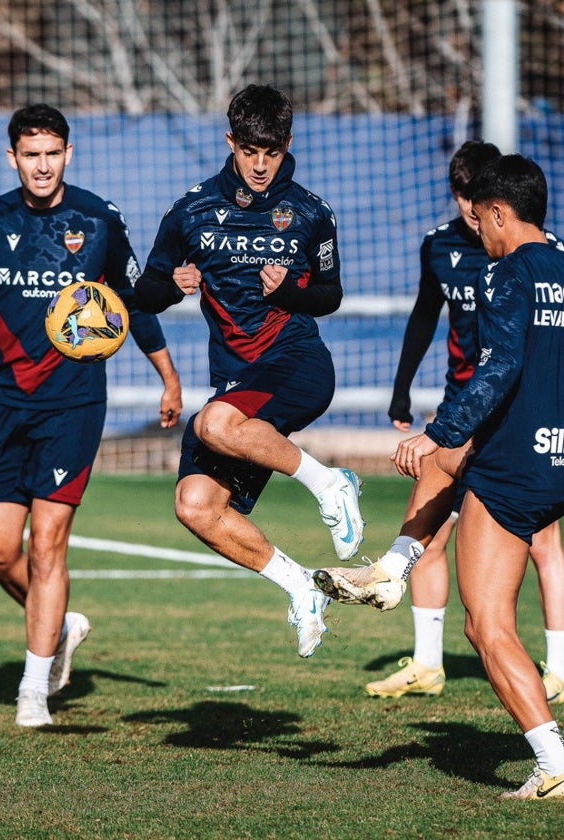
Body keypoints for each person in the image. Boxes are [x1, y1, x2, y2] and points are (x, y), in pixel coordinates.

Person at [317, 155, 564, 799]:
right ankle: (392, 570)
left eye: (483, 221)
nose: (479, 232)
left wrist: (437, 431)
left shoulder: (507, 274)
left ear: (501, 213)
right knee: (450, 465)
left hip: (513, 475)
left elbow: (498, 368)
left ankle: (555, 763)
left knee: (486, 626)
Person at [0, 104, 183, 728]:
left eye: (52, 153)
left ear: (68, 154)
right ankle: (61, 625)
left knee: (48, 546)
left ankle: (34, 691)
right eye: (30, 154)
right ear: (12, 158)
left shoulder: (98, 220)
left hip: (74, 405)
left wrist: (168, 376)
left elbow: (134, 300)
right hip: (9, 401)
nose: (42, 165)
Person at [133, 83, 364, 660]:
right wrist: (172, 285)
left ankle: (332, 484)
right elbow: (146, 290)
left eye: (272, 152)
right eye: (249, 151)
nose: (261, 165)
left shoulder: (311, 212)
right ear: (231, 142)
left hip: (297, 363)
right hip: (237, 389)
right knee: (195, 506)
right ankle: (302, 587)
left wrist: (292, 289)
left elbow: (330, 295)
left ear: (287, 145)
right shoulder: (189, 211)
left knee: (214, 425)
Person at [370, 141, 564, 703]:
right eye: (461, 195)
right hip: (458, 409)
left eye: (476, 197)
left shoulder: (537, 251)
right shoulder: (438, 247)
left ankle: (558, 671)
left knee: (541, 540)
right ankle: (427, 663)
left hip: (516, 413)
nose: (469, 208)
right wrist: (401, 394)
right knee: (430, 534)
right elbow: (422, 317)